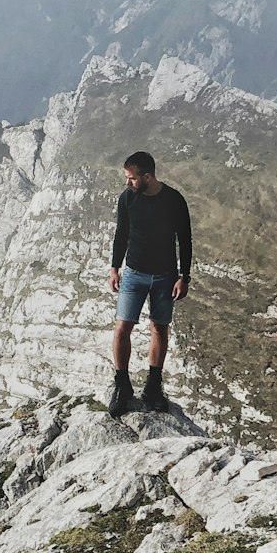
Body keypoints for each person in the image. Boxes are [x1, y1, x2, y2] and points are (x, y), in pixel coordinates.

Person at [108, 151, 191, 416]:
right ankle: (122, 386)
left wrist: (183, 276)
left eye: (132, 178)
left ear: (148, 176)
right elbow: (121, 234)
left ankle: (153, 388)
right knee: (122, 327)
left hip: (165, 276)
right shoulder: (127, 199)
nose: (129, 183)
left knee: (159, 328)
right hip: (133, 273)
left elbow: (185, 239)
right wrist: (114, 269)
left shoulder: (174, 200)